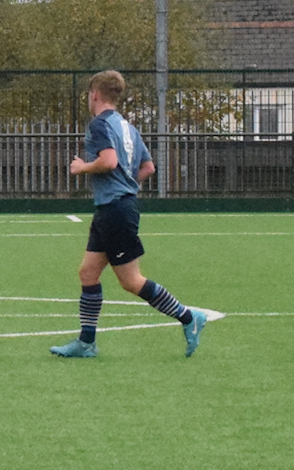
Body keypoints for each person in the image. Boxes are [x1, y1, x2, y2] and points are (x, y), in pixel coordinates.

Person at [51, 69, 205, 360]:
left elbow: (108, 161)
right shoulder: (127, 127)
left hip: (116, 210)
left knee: (131, 281)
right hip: (113, 208)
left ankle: (188, 317)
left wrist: (82, 167)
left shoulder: (99, 125)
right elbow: (148, 168)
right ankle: (86, 343)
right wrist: (126, 183)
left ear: (94, 94)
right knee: (88, 272)